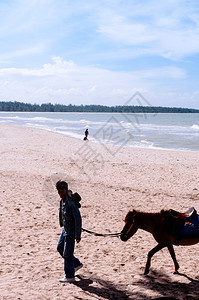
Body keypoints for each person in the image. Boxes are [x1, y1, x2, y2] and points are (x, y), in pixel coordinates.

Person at [56, 180, 83, 283]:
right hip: (65, 230)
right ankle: (76, 264)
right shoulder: (62, 201)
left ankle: (70, 276)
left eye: (62, 191)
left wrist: (77, 234)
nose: (60, 194)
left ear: (66, 190)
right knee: (60, 248)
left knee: (67, 254)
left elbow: (78, 219)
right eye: (58, 192)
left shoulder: (71, 204)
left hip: (71, 232)